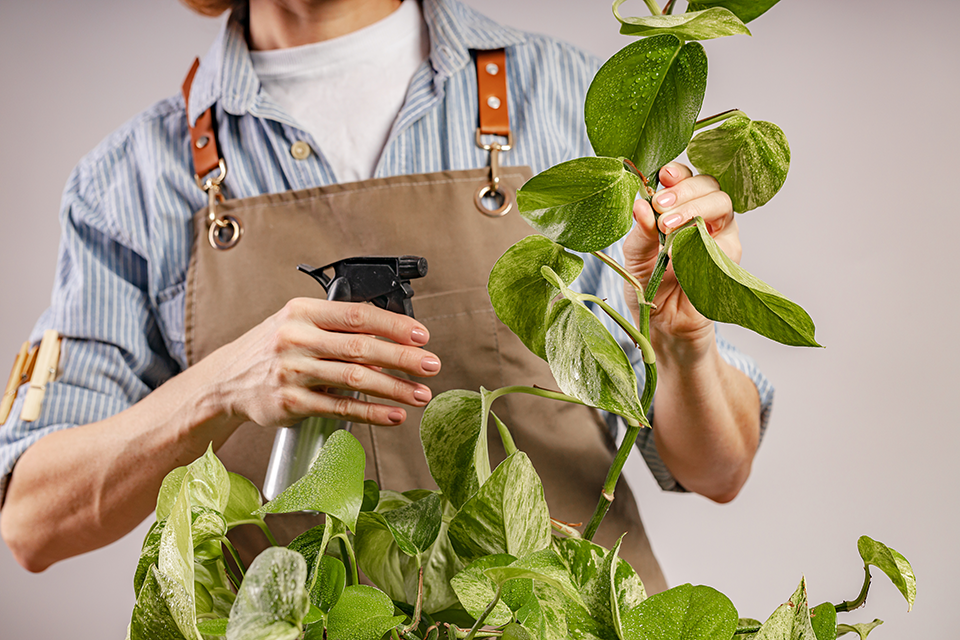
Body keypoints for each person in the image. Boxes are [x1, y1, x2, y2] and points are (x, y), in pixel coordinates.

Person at [0, 0, 771, 594]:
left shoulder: (571, 97)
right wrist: (221, 385)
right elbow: (32, 521)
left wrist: (681, 341)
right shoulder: (130, 180)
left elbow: (719, 470)